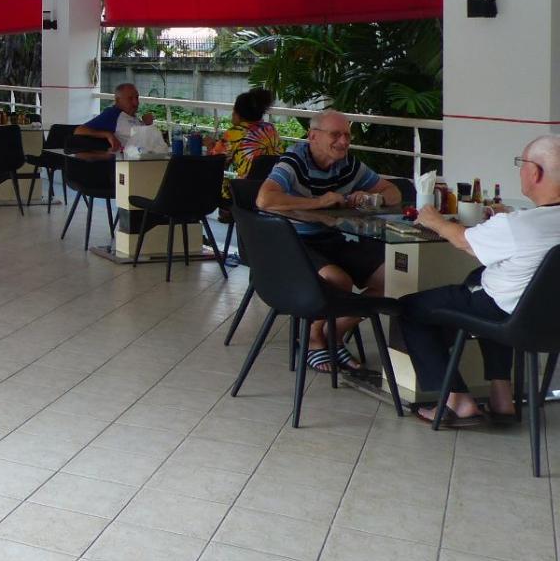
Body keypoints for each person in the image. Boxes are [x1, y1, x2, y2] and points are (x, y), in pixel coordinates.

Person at [400, 136, 560, 426]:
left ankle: (458, 401)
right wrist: (508, 219)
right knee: (483, 283)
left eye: (521, 164)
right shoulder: (522, 222)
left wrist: (434, 220)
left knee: (411, 308)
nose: (520, 170)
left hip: (508, 315)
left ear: (535, 172)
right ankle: (502, 396)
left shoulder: (517, 227)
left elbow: (464, 241)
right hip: (548, 320)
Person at [256, 110, 400, 372]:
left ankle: (333, 333)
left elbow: (393, 193)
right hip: (293, 242)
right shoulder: (293, 162)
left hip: (334, 239)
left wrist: (370, 196)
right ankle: (312, 338)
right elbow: (264, 200)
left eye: (347, 135)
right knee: (338, 280)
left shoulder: (348, 165)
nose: (343, 141)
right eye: (335, 135)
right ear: (313, 136)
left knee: (396, 279)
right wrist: (319, 203)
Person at [212, 87, 284, 201]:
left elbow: (214, 162)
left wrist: (209, 145)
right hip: (272, 189)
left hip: (244, 192)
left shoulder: (234, 133)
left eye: (234, 110)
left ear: (239, 113)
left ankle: (218, 209)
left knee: (209, 180)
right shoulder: (270, 129)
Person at [74, 83, 156, 152]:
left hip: (148, 155)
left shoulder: (132, 116)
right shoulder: (112, 114)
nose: (136, 102)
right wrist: (107, 135)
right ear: (117, 100)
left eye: (137, 98)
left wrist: (146, 123)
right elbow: (79, 130)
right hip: (129, 161)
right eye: (130, 99)